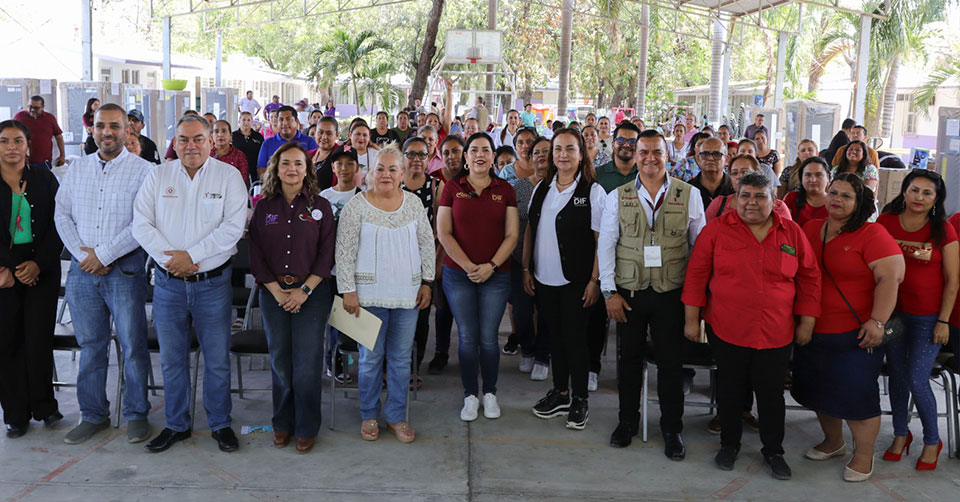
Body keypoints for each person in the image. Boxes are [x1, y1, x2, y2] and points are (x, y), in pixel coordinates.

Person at [683, 170, 820, 479]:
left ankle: (773, 450)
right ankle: (729, 444)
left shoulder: (791, 233)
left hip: (776, 331)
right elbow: (696, 275)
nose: (751, 202)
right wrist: (692, 320)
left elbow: (810, 278)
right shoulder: (716, 231)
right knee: (730, 390)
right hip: (727, 328)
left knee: (771, 395)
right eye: (745, 195)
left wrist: (807, 321)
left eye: (760, 196)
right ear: (735, 199)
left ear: (774, 200)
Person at [132, 115, 247, 453]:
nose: (191, 145)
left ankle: (220, 424)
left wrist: (192, 256)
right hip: (168, 284)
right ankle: (177, 424)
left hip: (212, 285)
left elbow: (232, 228)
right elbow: (141, 224)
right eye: (183, 139)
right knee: (172, 360)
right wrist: (173, 260)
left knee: (217, 359)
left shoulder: (229, 176)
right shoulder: (158, 175)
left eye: (198, 138)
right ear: (175, 143)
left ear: (211, 141)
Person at [599, 129, 706, 458]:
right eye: (643, 152)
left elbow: (699, 252)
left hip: (671, 294)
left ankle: (672, 429)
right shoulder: (617, 196)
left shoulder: (689, 195)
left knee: (671, 365)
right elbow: (606, 245)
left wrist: (694, 302)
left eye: (656, 152)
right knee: (629, 362)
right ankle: (627, 422)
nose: (650, 158)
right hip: (629, 293)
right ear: (635, 156)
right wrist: (609, 292)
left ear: (667, 155)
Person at [792, 173, 904, 482]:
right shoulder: (811, 228)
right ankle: (833, 442)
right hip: (813, 328)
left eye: (846, 196)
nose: (836, 200)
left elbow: (891, 277)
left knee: (856, 395)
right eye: (833, 193)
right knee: (820, 390)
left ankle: (864, 455)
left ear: (860, 202)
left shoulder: (872, 233)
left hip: (858, 333)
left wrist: (878, 321)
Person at [53, 104, 152, 445]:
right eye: (100, 126)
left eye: (114, 126)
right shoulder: (77, 169)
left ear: (128, 130)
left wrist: (104, 254)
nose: (107, 132)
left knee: (133, 344)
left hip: (124, 270)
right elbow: (61, 214)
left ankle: (137, 413)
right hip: (83, 273)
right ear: (91, 129)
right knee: (91, 345)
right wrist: (85, 256)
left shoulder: (144, 171)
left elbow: (143, 223)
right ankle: (93, 414)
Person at [335, 144, 435, 443]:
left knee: (401, 360)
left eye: (393, 169)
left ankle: (396, 416)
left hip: (408, 295)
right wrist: (348, 290)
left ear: (402, 174)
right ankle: (369, 415)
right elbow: (344, 251)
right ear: (369, 174)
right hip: (366, 297)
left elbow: (427, 244)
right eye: (380, 169)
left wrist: (428, 282)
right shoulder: (356, 205)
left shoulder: (414, 203)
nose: (386, 174)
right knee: (370, 360)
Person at [248, 142, 335, 454]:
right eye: (286, 163)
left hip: (312, 294)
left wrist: (304, 291)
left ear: (307, 168)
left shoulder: (321, 207)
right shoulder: (264, 207)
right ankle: (282, 422)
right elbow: (256, 253)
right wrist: (276, 290)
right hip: (274, 294)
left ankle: (307, 426)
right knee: (280, 360)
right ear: (276, 167)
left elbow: (326, 255)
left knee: (307, 364)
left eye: (299, 163)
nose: (292, 169)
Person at [523, 129, 605, 430]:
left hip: (578, 282)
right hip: (544, 279)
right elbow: (530, 230)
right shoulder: (541, 189)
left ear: (581, 154)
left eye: (570, 149)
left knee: (575, 340)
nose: (563, 155)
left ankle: (580, 398)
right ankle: (560, 393)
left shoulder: (593, 192)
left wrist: (595, 281)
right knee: (555, 337)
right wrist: (526, 269)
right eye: (557, 149)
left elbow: (601, 241)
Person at [877, 169, 958, 470]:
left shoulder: (943, 230)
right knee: (897, 376)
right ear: (904, 191)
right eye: (914, 190)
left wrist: (943, 320)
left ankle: (932, 440)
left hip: (928, 319)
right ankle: (901, 434)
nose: (919, 197)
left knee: (917, 378)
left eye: (927, 193)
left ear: (936, 199)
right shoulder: (886, 222)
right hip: (893, 315)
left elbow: (953, 280)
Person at [437, 133, 519, 422]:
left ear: (494, 156)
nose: (480, 154)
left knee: (488, 338)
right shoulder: (452, 187)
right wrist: (469, 266)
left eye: (486, 150)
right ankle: (470, 394)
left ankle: (490, 392)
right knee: (468, 337)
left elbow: (512, 235)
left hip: (497, 276)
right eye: (474, 150)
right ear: (466, 156)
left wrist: (491, 266)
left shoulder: (505, 189)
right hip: (458, 275)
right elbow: (443, 232)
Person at [0, 120, 63, 439]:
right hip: (3, 273)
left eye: (18, 141)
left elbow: (59, 223)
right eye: (4, 141)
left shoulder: (44, 178)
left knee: (38, 339)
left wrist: (38, 264)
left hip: (42, 269)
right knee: (7, 342)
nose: (11, 147)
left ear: (28, 146)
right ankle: (15, 414)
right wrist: (9, 268)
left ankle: (44, 406)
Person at [399, 137, 441, 386]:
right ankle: (390, 367)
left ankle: (413, 368)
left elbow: (441, 229)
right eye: (411, 154)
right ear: (402, 156)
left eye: (422, 155)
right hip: (394, 262)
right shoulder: (392, 183)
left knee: (420, 318)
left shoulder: (436, 186)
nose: (416, 159)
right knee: (393, 315)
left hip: (423, 262)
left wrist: (433, 266)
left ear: (428, 158)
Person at [318, 145, 361, 383]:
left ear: (357, 167)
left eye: (349, 164)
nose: (344, 168)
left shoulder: (363, 197)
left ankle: (350, 360)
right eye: (339, 164)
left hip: (355, 270)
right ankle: (333, 361)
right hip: (330, 270)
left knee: (350, 318)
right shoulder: (324, 197)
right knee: (334, 319)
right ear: (333, 167)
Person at [257, 106, 319, 178]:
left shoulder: (309, 142)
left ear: (296, 122)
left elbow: (315, 167)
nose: (284, 123)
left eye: (288, 119)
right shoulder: (268, 143)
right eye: (281, 119)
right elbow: (261, 169)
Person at [13, 96, 64, 169]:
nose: (32, 110)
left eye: (36, 108)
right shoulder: (19, 117)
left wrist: (62, 155)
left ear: (43, 107)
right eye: (30, 107)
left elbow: (58, 137)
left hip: (43, 161)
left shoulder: (50, 118)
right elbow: (11, 135)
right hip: (22, 161)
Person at [783, 157, 830, 227]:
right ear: (801, 178)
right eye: (808, 175)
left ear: (828, 178)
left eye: (818, 175)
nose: (813, 180)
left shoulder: (834, 202)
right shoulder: (792, 198)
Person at [688, 137, 733, 209]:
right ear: (698, 159)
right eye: (705, 154)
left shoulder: (735, 188)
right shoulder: (689, 189)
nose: (710, 158)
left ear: (726, 159)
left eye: (717, 154)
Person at [594, 122, 640, 194]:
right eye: (621, 140)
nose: (626, 145)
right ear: (613, 144)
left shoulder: (646, 173)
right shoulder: (597, 175)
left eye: (632, 141)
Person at [211, 120, 250, 186]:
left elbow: (242, 181)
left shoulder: (239, 156)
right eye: (216, 131)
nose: (220, 135)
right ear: (212, 136)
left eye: (224, 131)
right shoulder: (206, 155)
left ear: (231, 135)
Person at [232, 112, 264, 184]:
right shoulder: (232, 136)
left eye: (248, 120)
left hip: (254, 172)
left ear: (252, 122)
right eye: (243, 120)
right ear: (239, 121)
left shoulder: (258, 137)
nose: (246, 122)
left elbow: (262, 155)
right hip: (236, 172)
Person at [310, 116, 340, 191]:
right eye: (320, 132)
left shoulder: (341, 156)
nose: (324, 137)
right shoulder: (308, 155)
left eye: (329, 134)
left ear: (337, 135)